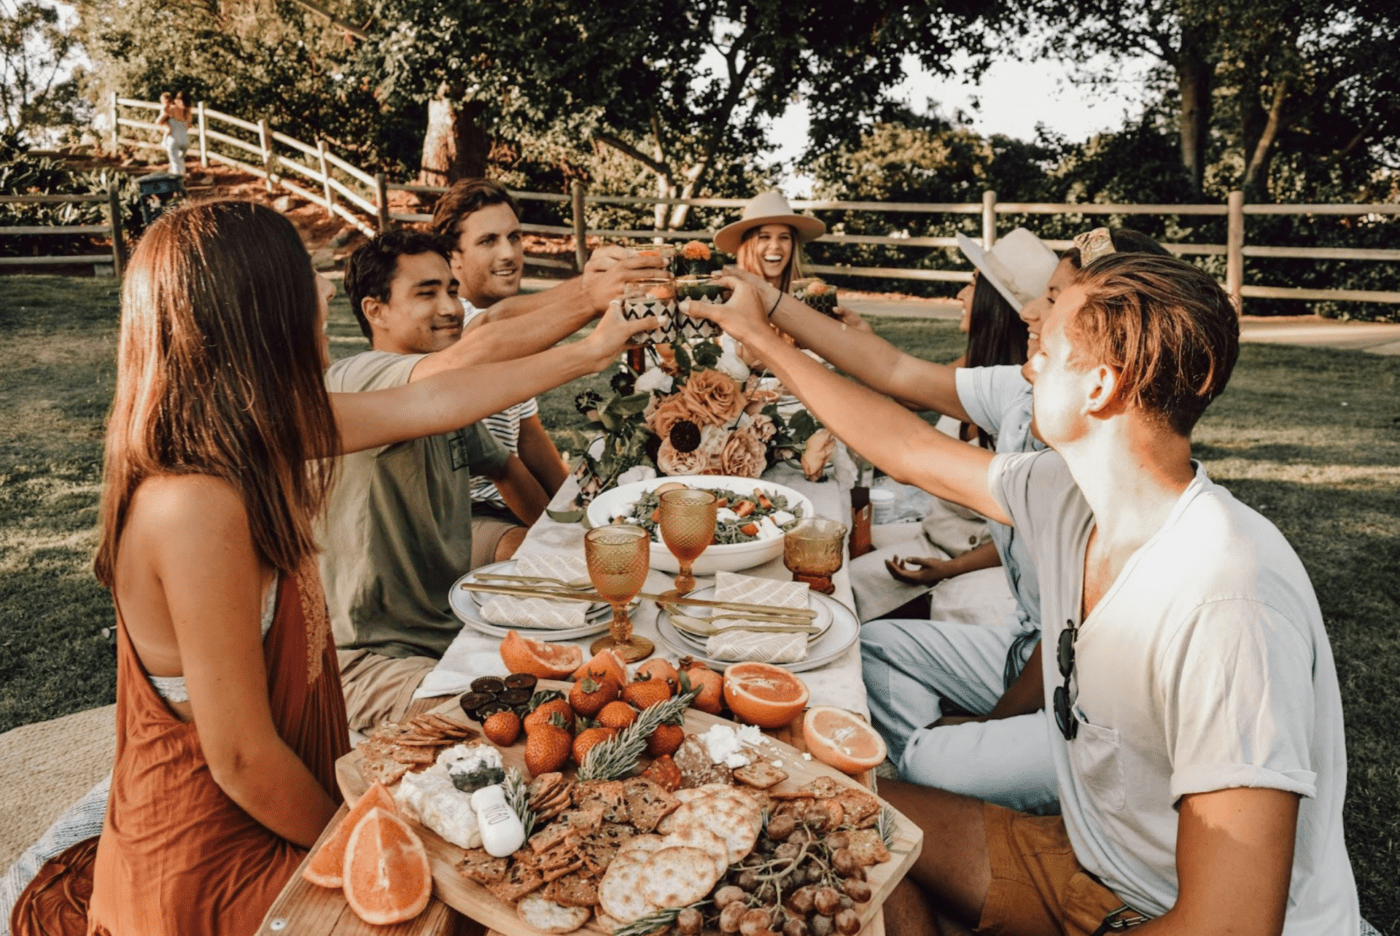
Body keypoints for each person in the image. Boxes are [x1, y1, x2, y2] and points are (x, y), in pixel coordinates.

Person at [7, 199, 654, 936]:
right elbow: (243, 760)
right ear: (262, 314)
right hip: (215, 857)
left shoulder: (261, 429)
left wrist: (593, 349)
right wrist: (362, 834)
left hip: (282, 801)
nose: (321, 299)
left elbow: (435, 400)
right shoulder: (193, 507)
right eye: (305, 282)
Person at [692, 252, 1358, 934]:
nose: (1028, 365)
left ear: (1101, 386)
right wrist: (765, 340)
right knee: (828, 807)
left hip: (1164, 915)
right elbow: (911, 448)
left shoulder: (1226, 600)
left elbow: (1230, 924)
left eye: (1045, 349)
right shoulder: (1070, 493)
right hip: (1088, 868)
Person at [325, 228, 660, 732]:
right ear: (376, 311)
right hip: (370, 662)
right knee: (538, 724)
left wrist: (563, 546)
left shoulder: (449, 401)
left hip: (452, 630)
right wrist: (592, 327)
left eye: (451, 290)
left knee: (614, 666)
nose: (450, 308)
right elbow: (471, 352)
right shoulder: (359, 378)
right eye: (425, 293)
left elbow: (505, 469)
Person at [430, 179, 571, 565]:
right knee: (538, 561)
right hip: (460, 514)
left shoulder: (507, 335)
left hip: (508, 506)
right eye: (488, 241)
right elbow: (492, 328)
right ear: (453, 257)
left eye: (515, 237)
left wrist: (582, 512)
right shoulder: (454, 324)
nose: (509, 253)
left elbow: (529, 437)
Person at [156, 92, 190, 177]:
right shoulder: (188, 112)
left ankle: (177, 182)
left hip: (173, 139)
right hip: (185, 140)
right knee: (181, 161)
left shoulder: (171, 109)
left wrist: (164, 126)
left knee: (175, 163)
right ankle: (183, 179)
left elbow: (158, 121)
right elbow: (188, 126)